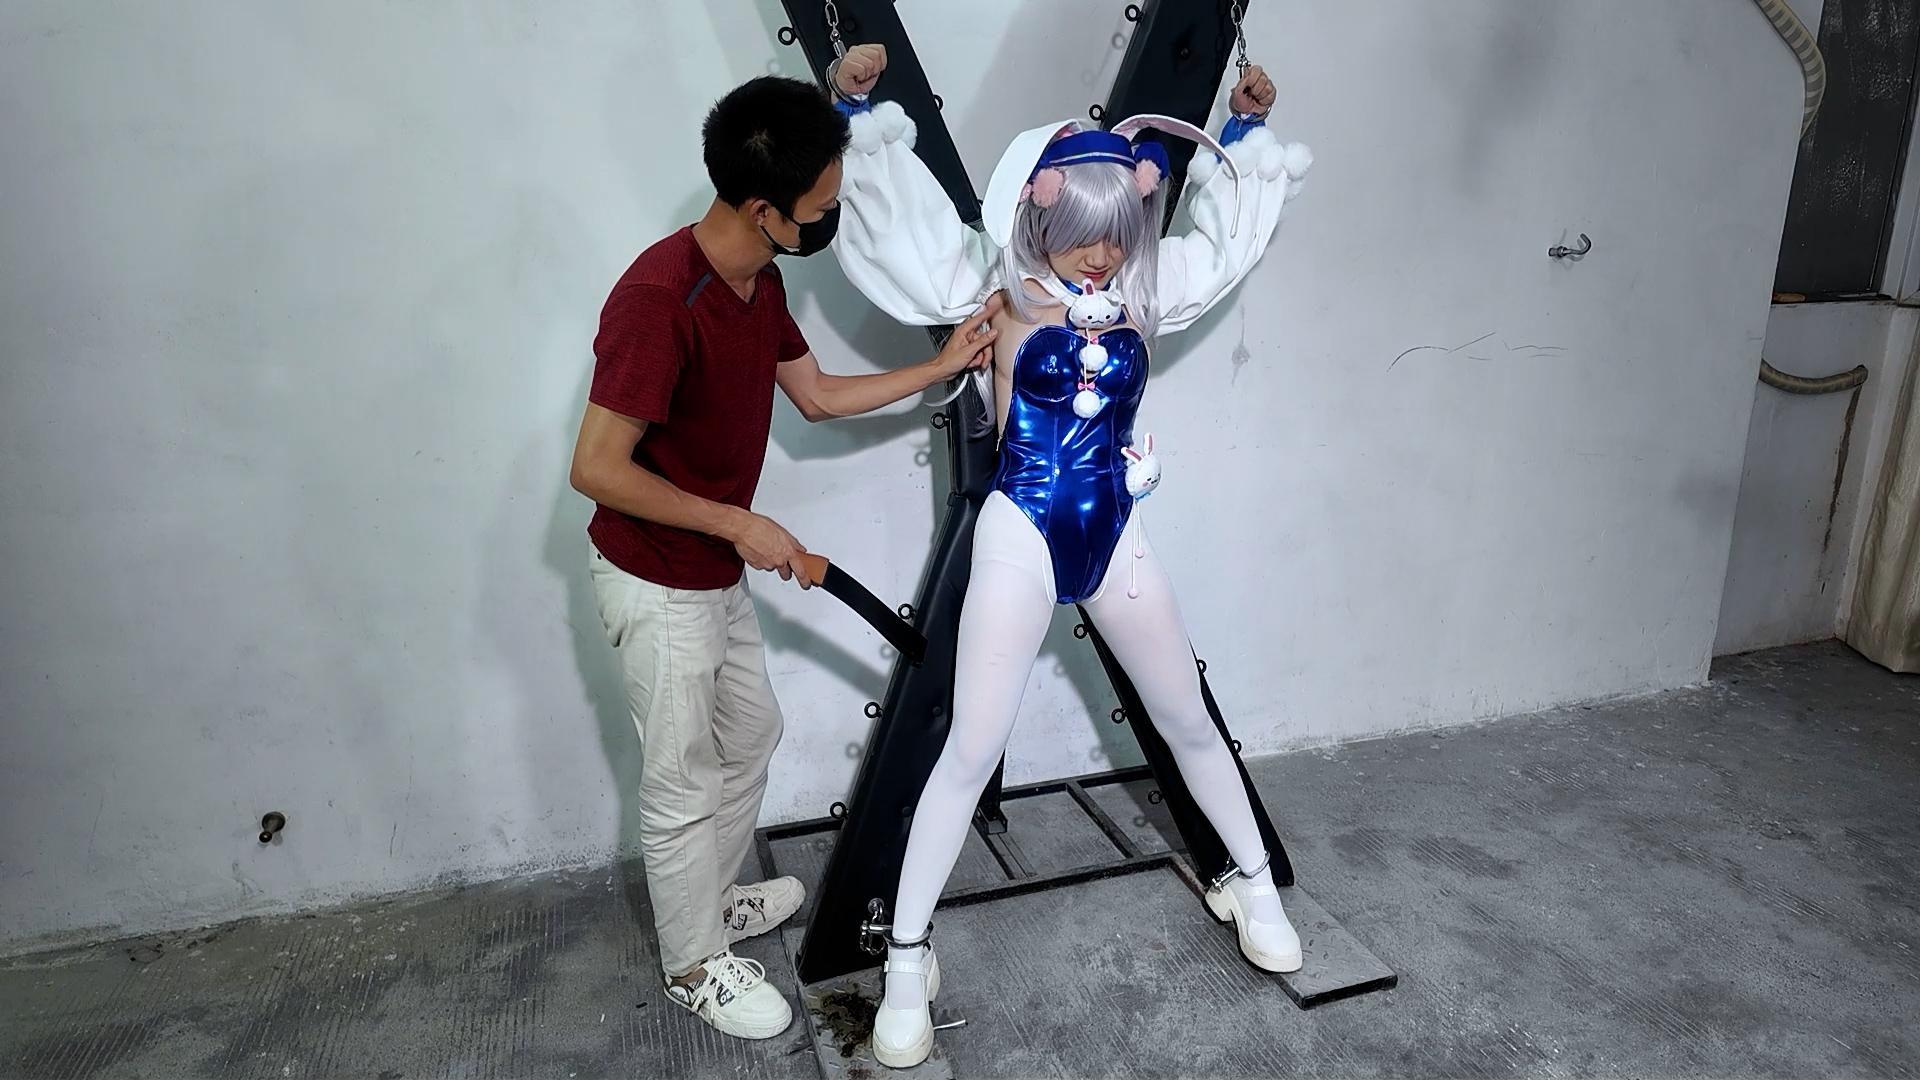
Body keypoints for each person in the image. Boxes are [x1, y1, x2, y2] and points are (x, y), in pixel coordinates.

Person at [824, 45, 1314, 1067]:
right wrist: (857, 112)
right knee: (970, 748)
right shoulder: (996, 294)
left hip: (1114, 531)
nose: (1101, 258)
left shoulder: (1142, 289)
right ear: (1040, 215)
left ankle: (1254, 885)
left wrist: (1246, 132)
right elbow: (904, 230)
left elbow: (1222, 247)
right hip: (1022, 532)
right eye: (1084, 237)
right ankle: (906, 958)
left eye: (1117, 235)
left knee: (1187, 717)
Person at [568, 74, 999, 1041]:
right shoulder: (658, 299)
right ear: (763, 209)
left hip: (711, 572)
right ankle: (692, 965)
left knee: (751, 736)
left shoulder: (759, 281)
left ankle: (709, 904)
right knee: (682, 777)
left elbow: (817, 395)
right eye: (822, 208)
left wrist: (940, 365)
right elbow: (595, 467)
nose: (832, 220)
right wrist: (738, 524)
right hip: (653, 577)